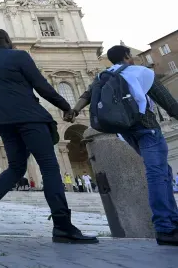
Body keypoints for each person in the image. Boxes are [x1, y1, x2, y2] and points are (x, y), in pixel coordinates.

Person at [0, 29, 98, 244]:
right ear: (8, 41)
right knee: (49, 167)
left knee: (15, 167)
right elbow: (41, 85)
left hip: (2, 123)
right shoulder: (19, 56)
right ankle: (62, 225)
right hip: (29, 118)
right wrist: (65, 106)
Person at [67, 44, 178, 246]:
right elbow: (168, 103)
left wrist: (74, 110)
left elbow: (87, 95)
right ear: (127, 56)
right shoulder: (140, 72)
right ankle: (165, 227)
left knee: (163, 172)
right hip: (147, 127)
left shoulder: (103, 75)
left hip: (125, 130)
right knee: (156, 173)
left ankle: (173, 220)